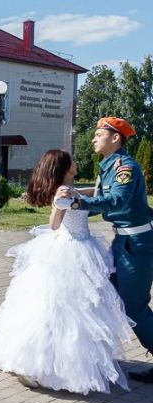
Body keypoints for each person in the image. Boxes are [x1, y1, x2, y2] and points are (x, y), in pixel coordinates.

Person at [0, 149, 133, 394]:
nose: (75, 161)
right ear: (64, 167)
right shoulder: (63, 190)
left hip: (81, 246)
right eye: (72, 160)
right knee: (60, 309)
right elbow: (54, 223)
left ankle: (59, 360)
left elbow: (90, 195)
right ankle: (34, 363)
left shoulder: (70, 188)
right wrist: (61, 203)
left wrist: (99, 191)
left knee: (76, 309)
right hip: (71, 249)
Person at [56, 117, 153, 384]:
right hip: (123, 242)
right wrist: (73, 192)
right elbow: (101, 192)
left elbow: (117, 202)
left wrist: (77, 203)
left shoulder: (125, 167)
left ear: (115, 138)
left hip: (137, 244)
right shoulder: (108, 166)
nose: (93, 139)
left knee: (134, 306)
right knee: (105, 295)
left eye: (99, 134)